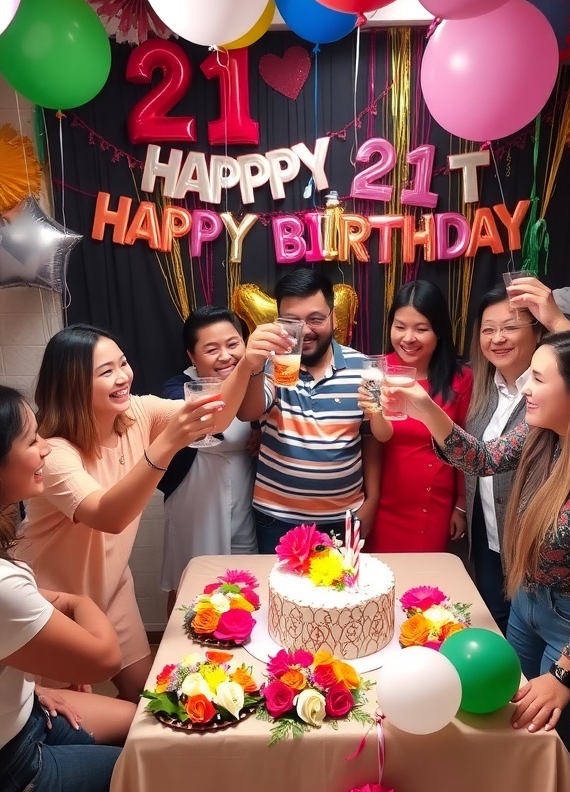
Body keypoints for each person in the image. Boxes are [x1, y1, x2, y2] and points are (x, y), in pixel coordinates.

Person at [380, 331, 570, 754]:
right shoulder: (541, 433)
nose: (525, 388)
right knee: (509, 729)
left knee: (553, 746)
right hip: (526, 604)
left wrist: (565, 674)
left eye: (538, 379)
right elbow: (481, 458)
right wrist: (423, 405)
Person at [14, 324, 228, 704]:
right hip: (52, 603)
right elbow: (108, 516)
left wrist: (252, 365)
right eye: (106, 371)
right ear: (73, 385)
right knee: (55, 711)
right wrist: (167, 444)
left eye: (123, 363)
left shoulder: (137, 412)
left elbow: (216, 417)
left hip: (111, 588)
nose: (123, 376)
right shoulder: (56, 452)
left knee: (147, 698)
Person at [0, 386, 135, 792]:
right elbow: (102, 658)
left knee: (141, 723)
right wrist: (77, 599)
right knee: (137, 773)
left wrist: (29, 687)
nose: (45, 451)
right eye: (32, 442)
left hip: (24, 719)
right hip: (11, 776)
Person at [235, 268, 383, 553]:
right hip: (276, 519)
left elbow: (372, 437)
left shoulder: (364, 367)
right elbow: (249, 412)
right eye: (292, 321)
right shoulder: (273, 364)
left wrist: (372, 501)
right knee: (279, 597)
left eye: (315, 319)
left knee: (341, 596)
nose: (305, 330)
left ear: (333, 317)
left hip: (343, 519)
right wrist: (252, 363)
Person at [465, 278, 570, 634]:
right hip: (490, 539)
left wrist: (558, 321)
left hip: (546, 562)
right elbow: (481, 459)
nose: (498, 338)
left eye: (510, 327)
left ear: (538, 331)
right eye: (489, 329)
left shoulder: (551, 402)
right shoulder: (484, 388)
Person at [160, 306, 258, 615]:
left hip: (245, 498)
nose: (226, 356)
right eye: (211, 349)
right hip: (196, 499)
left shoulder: (257, 384)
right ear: (192, 356)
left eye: (233, 344)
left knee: (243, 581)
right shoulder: (178, 388)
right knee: (189, 583)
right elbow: (211, 425)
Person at [362, 280, 472, 553]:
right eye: (400, 327)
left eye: (421, 329)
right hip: (383, 499)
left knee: (424, 586)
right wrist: (374, 408)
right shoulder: (377, 370)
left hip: (432, 502)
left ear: (438, 332)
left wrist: (461, 504)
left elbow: (467, 446)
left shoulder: (460, 379)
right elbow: (380, 437)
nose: (408, 338)